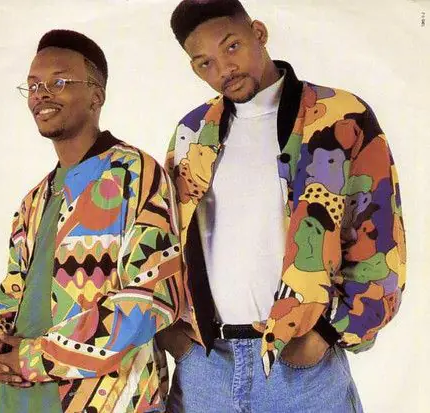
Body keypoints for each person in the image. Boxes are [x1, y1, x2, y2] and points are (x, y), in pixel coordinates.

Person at [158, 1, 406, 412]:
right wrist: (173, 335)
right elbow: (164, 235)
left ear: (258, 32)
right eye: (205, 63)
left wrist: (327, 333)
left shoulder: (341, 116)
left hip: (300, 366)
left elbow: (379, 236)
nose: (224, 69)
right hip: (206, 368)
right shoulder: (192, 131)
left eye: (232, 46)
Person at [0, 29, 183, 413]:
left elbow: (153, 298)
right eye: (34, 85)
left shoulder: (136, 175)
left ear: (96, 95)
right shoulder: (33, 201)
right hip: (16, 401)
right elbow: (10, 296)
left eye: (59, 82)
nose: (41, 94)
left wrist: (31, 358)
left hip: (106, 401)